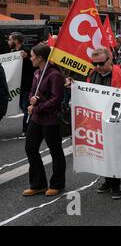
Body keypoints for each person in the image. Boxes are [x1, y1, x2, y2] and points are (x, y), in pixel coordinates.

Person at [87, 47, 121, 199]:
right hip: (98, 122)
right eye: (95, 64)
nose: (98, 67)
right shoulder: (92, 75)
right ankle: (107, 181)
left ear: (110, 60)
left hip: (116, 122)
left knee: (114, 154)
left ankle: (116, 185)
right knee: (102, 153)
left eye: (101, 64)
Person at [23, 45, 66, 197]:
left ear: (40, 58)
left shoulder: (55, 75)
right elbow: (31, 92)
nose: (30, 58)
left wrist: (36, 108)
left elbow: (56, 100)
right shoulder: (36, 73)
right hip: (36, 118)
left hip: (50, 120)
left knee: (55, 151)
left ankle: (57, 184)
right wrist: (31, 100)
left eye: (32, 55)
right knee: (30, 148)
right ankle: (38, 184)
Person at [8, 32, 34, 137]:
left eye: (10, 39)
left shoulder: (26, 50)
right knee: (22, 106)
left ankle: (27, 130)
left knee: (25, 106)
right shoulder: (13, 51)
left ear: (16, 41)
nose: (8, 42)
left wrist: (26, 58)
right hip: (18, 85)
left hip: (26, 84)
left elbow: (32, 66)